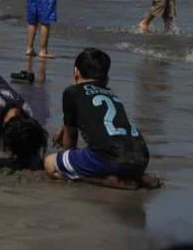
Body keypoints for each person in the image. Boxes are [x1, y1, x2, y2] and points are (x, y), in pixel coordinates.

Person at [45, 48, 159, 189]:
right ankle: (137, 178)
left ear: (76, 72)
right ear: (106, 79)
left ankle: (105, 180)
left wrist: (67, 158)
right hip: (141, 157)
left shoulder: (71, 92)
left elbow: (71, 138)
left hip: (110, 159)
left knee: (50, 164)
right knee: (107, 154)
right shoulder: (111, 94)